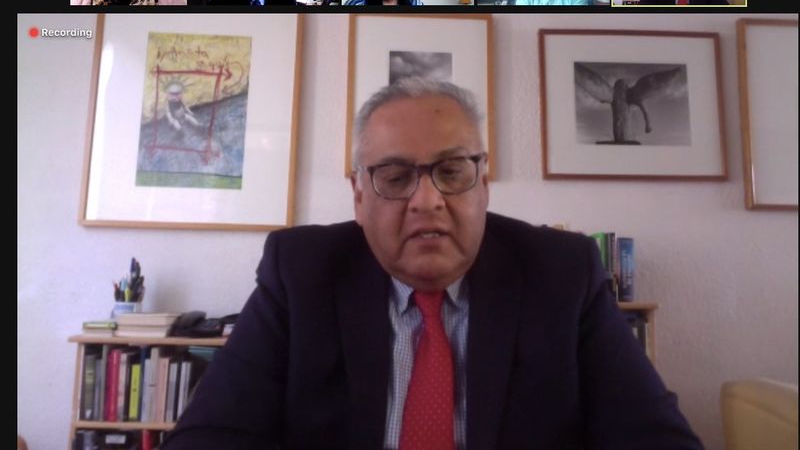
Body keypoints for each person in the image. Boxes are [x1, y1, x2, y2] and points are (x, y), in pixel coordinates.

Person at [163, 78, 704, 450]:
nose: (427, 201)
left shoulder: (563, 274)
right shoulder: (300, 272)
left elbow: (655, 438)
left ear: (483, 184)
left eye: (451, 171)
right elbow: (211, 436)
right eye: (396, 177)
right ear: (358, 196)